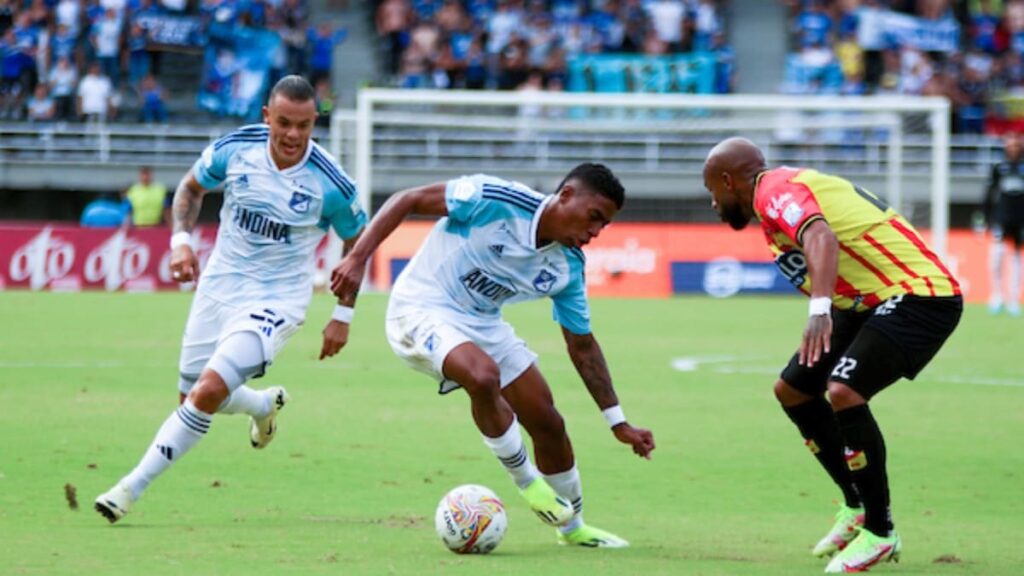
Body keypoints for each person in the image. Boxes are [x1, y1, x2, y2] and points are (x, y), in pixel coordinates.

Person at [329, 164, 655, 547]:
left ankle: (573, 526)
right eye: (594, 217)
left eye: (604, 225)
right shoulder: (492, 199)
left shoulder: (567, 267)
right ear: (566, 196)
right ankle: (527, 483)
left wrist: (618, 422)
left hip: (482, 323)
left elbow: (582, 347)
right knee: (482, 376)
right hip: (420, 307)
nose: (596, 232)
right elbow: (409, 199)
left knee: (547, 421)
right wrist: (358, 258)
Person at [94, 75, 367, 523]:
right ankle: (261, 405)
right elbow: (190, 188)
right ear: (266, 117)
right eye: (284, 123)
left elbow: (360, 243)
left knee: (206, 392)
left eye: (304, 125)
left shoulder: (330, 182)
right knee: (194, 396)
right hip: (219, 287)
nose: (293, 135)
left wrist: (343, 313)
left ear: (315, 121)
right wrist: (180, 240)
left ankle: (129, 488)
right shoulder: (236, 149)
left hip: (277, 301)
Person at [702, 138, 962, 573]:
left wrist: (819, 309)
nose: (712, 202)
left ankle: (880, 531)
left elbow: (820, 235)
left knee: (843, 390)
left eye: (712, 190)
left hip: (919, 295)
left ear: (728, 181)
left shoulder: (774, 189)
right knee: (793, 390)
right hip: (863, 303)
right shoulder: (773, 211)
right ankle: (856, 505)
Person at [982, 132, 1024, 316]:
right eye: (1011, 143)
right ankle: (996, 295)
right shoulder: (999, 167)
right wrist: (985, 217)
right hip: (1002, 218)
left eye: (1017, 144)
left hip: (1021, 220)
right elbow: (989, 194)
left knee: (1016, 258)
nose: (1014, 147)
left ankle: (1013, 299)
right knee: (997, 256)